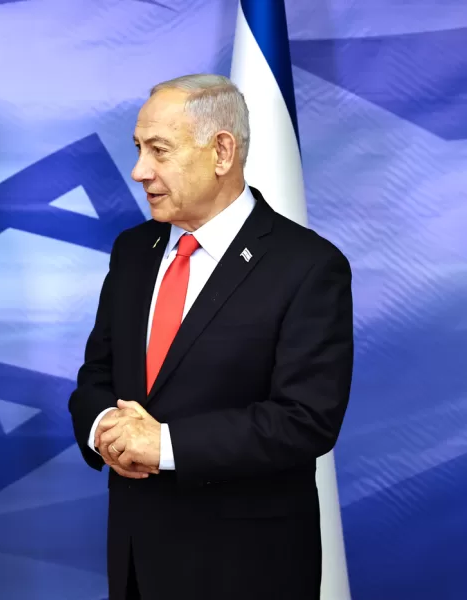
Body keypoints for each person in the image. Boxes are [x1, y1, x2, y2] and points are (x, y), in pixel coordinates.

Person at [68, 74, 353, 600]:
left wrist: (165, 445)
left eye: (159, 150)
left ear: (222, 151)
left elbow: (306, 419)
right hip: (136, 561)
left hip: (245, 567)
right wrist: (105, 425)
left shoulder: (308, 266)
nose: (139, 171)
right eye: (138, 148)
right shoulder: (133, 250)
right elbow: (97, 376)